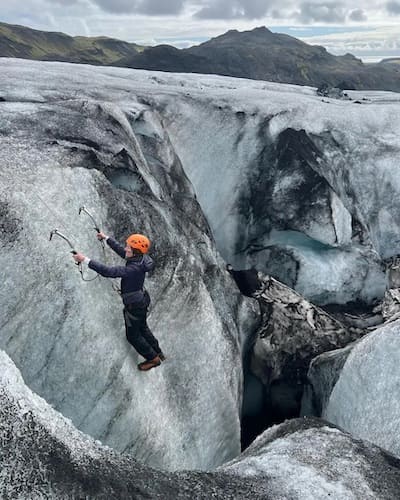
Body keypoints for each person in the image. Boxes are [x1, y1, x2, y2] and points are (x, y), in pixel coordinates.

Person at [73, 232, 164, 371]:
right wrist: (107, 239)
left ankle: (153, 359)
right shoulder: (141, 259)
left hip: (135, 306)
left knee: (133, 335)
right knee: (142, 327)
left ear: (135, 251)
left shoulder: (133, 268)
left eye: (129, 247)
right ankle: (158, 352)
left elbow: (108, 271)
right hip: (141, 300)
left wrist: (84, 259)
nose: (126, 248)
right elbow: (123, 252)